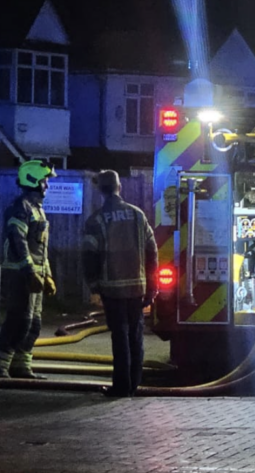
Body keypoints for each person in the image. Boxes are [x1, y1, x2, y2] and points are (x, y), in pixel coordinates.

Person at [82, 170, 158, 397]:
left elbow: (89, 256)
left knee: (120, 337)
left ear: (100, 190)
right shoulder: (138, 215)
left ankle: (121, 387)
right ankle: (134, 383)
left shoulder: (96, 220)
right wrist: (152, 287)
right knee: (136, 336)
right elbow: (151, 251)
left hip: (111, 289)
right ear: (119, 187)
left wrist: (94, 287)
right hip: (137, 288)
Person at [0, 160, 57, 379]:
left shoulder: (37, 210)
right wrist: (29, 271)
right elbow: (18, 240)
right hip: (20, 274)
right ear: (33, 181)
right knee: (19, 320)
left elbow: (41, 247)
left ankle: (21, 365)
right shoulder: (21, 207)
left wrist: (47, 274)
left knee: (34, 324)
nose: (47, 186)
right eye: (45, 181)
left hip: (35, 275)